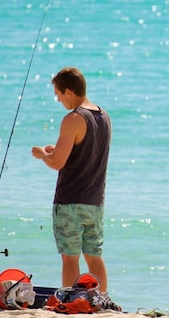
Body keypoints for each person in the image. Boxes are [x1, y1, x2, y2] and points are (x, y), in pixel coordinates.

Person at [31, 67, 112, 293]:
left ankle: (71, 302)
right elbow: (86, 151)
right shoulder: (104, 116)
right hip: (95, 201)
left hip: (70, 202)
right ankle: (101, 299)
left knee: (70, 258)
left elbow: (57, 163)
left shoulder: (73, 118)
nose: (58, 99)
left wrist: (42, 154)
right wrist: (58, 149)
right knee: (94, 256)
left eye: (58, 94)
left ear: (68, 91)